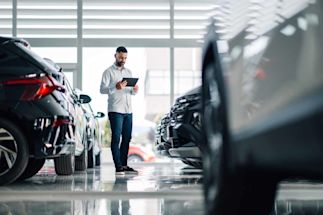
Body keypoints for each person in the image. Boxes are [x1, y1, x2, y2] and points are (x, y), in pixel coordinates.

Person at [100, 46, 139, 175]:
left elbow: (129, 91)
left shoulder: (128, 72)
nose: (123, 60)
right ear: (115, 56)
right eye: (121, 57)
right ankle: (118, 166)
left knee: (127, 138)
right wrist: (115, 87)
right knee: (116, 138)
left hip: (128, 110)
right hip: (115, 110)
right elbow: (102, 89)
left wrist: (134, 91)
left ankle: (124, 164)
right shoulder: (108, 72)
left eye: (125, 58)